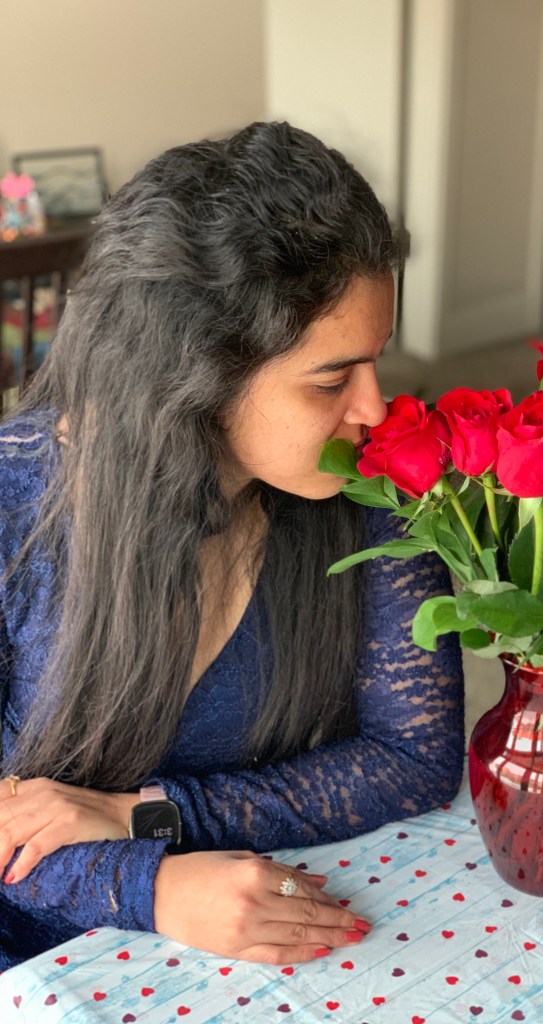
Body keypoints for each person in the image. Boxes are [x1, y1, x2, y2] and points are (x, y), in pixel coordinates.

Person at [0, 122, 464, 970]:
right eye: (332, 379)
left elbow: (413, 759)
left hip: (262, 931)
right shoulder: (11, 508)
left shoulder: (367, 488)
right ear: (194, 378)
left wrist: (147, 814)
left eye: (375, 363)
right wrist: (153, 888)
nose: (375, 409)